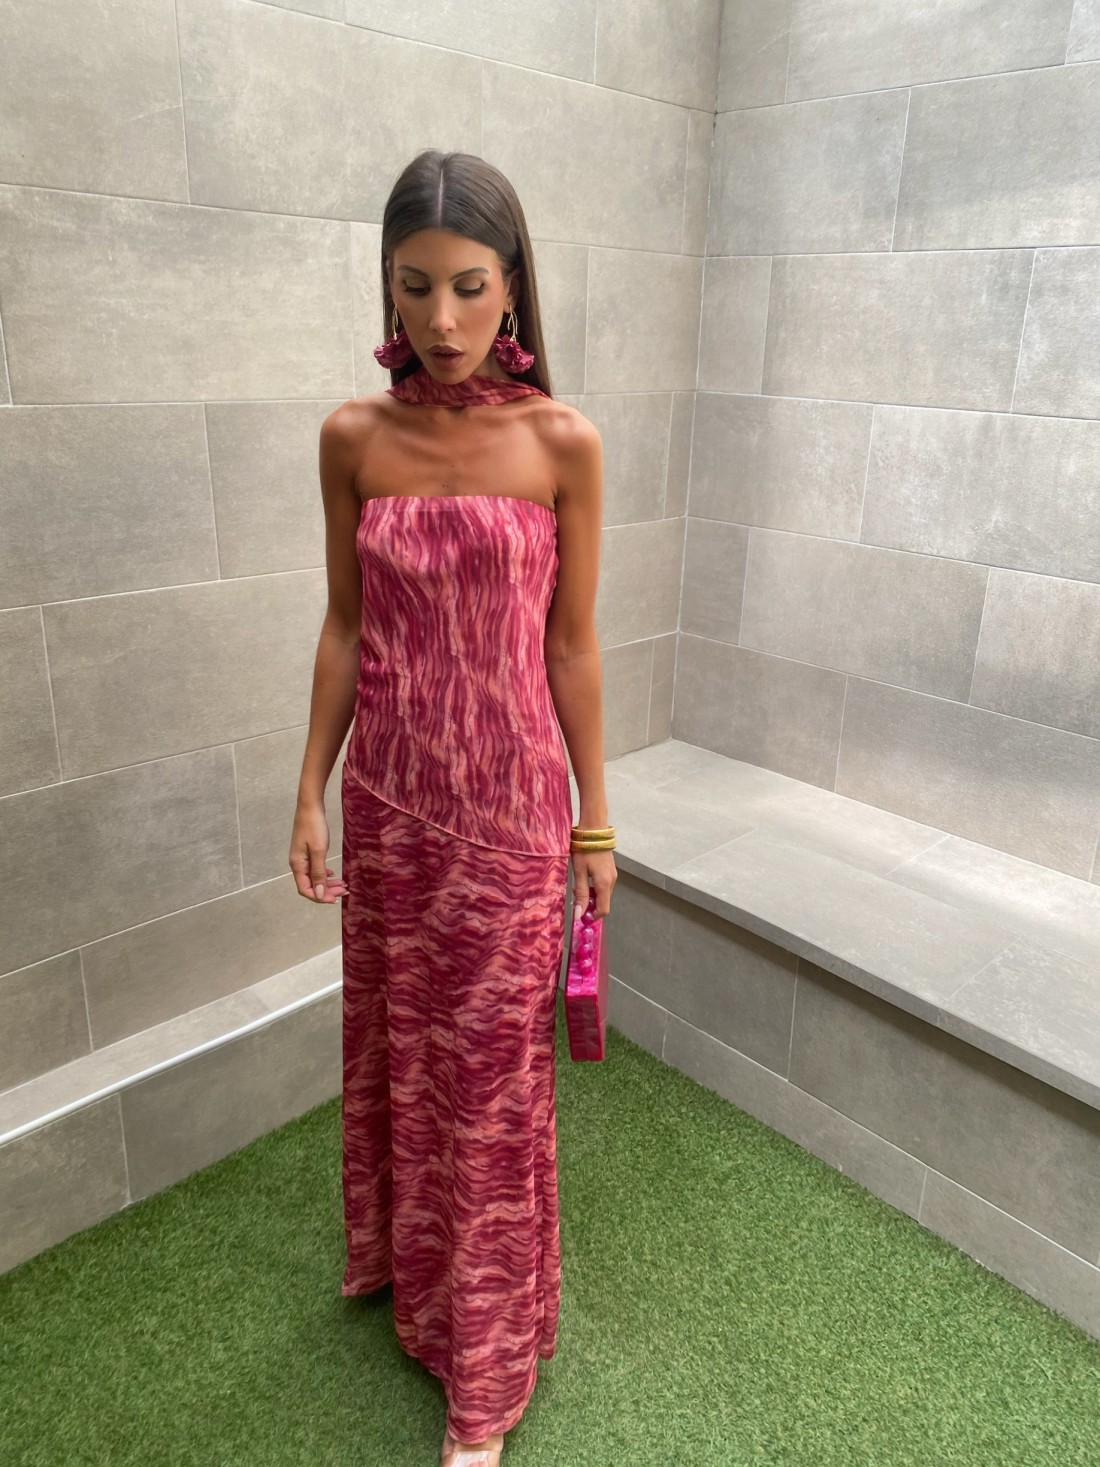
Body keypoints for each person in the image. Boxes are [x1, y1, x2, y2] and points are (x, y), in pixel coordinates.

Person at [288, 149, 617, 1467]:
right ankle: (400, 1270)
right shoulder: (352, 438)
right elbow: (344, 625)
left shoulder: (561, 443)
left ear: (515, 286)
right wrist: (309, 791)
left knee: (487, 1088)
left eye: (470, 287)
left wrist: (596, 823)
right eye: (413, 286)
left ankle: (482, 1378)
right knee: (396, 1053)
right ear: (387, 285)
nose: (441, 319)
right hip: (387, 806)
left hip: (511, 815)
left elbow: (574, 646)